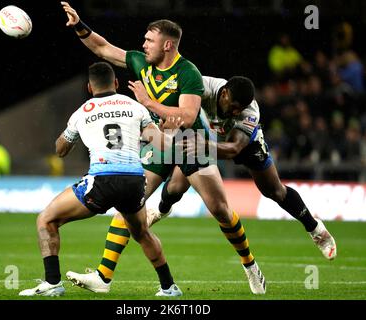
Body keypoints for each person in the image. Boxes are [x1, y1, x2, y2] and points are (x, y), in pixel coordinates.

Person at [61, 2, 266, 295]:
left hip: (191, 144)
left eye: (149, 39)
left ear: (167, 45)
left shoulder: (188, 73)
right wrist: (79, 24)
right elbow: (102, 48)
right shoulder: (140, 62)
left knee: (220, 210)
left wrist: (148, 103)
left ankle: (250, 266)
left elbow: (186, 117)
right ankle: (103, 277)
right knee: (130, 203)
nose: (143, 44)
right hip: (159, 143)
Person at [19, 62, 184, 297]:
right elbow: (161, 144)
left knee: (46, 220)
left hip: (102, 181)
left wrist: (68, 135)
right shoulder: (134, 107)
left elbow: (60, 150)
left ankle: (53, 283)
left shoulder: (82, 112)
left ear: (89, 87)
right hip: (134, 181)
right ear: (116, 83)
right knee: (142, 233)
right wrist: (170, 133)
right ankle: (169, 287)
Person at [156, 75, 337, 261]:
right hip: (207, 135)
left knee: (275, 191)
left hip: (243, 144)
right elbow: (171, 93)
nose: (236, 112)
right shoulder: (202, 86)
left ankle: (315, 229)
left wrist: (203, 145)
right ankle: (161, 210)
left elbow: (234, 149)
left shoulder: (250, 112)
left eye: (240, 109)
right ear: (224, 93)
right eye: (234, 106)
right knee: (176, 186)